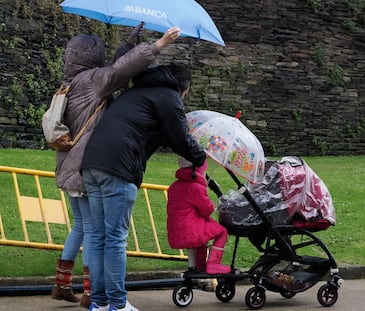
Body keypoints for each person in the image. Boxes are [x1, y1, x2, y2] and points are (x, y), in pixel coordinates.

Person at [51, 24, 180, 310]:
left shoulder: (71, 82)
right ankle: (100, 297)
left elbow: (115, 68)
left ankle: (84, 293)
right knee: (99, 234)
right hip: (89, 166)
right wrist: (158, 45)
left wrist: (131, 41)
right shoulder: (92, 81)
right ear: (92, 57)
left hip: (69, 167)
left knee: (89, 231)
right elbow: (119, 72)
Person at [80, 62, 206, 311]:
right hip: (119, 167)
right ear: (184, 88)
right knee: (115, 237)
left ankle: (100, 302)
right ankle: (117, 304)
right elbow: (179, 137)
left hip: (92, 163)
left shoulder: (138, 91)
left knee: (97, 236)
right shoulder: (170, 97)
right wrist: (200, 157)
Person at [167, 157, 231, 275]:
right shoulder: (196, 187)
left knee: (202, 234)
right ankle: (213, 264)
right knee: (221, 231)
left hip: (177, 230)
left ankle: (197, 266)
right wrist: (211, 203)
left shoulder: (174, 186)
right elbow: (206, 210)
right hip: (191, 230)